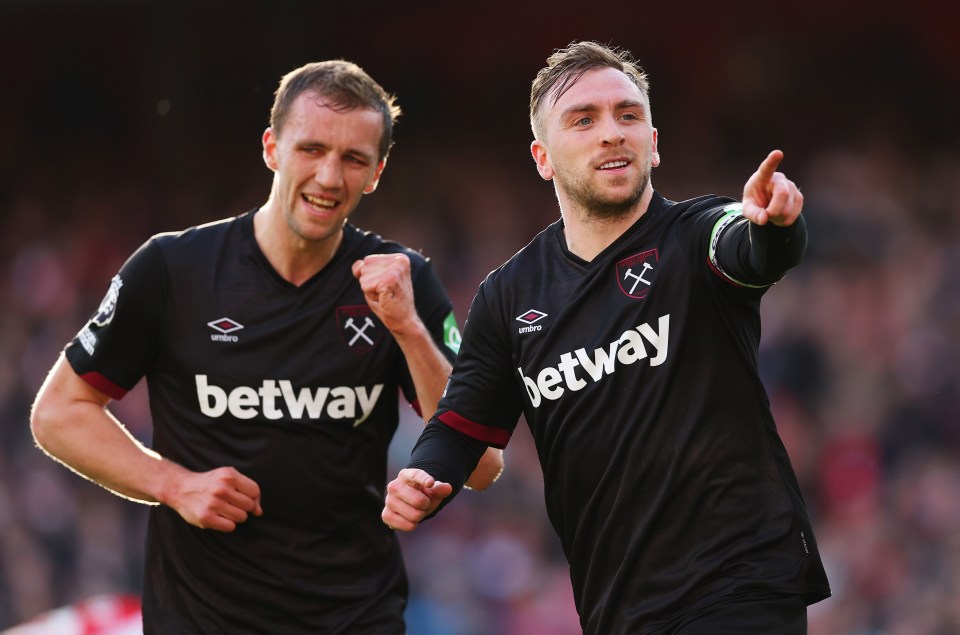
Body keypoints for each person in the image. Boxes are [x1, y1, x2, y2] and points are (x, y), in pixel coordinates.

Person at [29, 59, 503, 634]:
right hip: (200, 620)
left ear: (376, 172)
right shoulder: (172, 269)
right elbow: (58, 413)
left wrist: (407, 328)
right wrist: (173, 484)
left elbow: (480, 465)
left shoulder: (402, 281)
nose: (330, 176)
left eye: (353, 159)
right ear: (272, 148)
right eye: (312, 149)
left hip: (352, 618)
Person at [382, 41, 831, 634]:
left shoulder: (697, 235)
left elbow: (750, 249)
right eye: (584, 119)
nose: (612, 132)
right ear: (542, 157)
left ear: (654, 142)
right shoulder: (508, 296)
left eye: (628, 115)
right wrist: (423, 474)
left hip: (740, 584)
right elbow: (462, 429)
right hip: (617, 607)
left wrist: (775, 225)